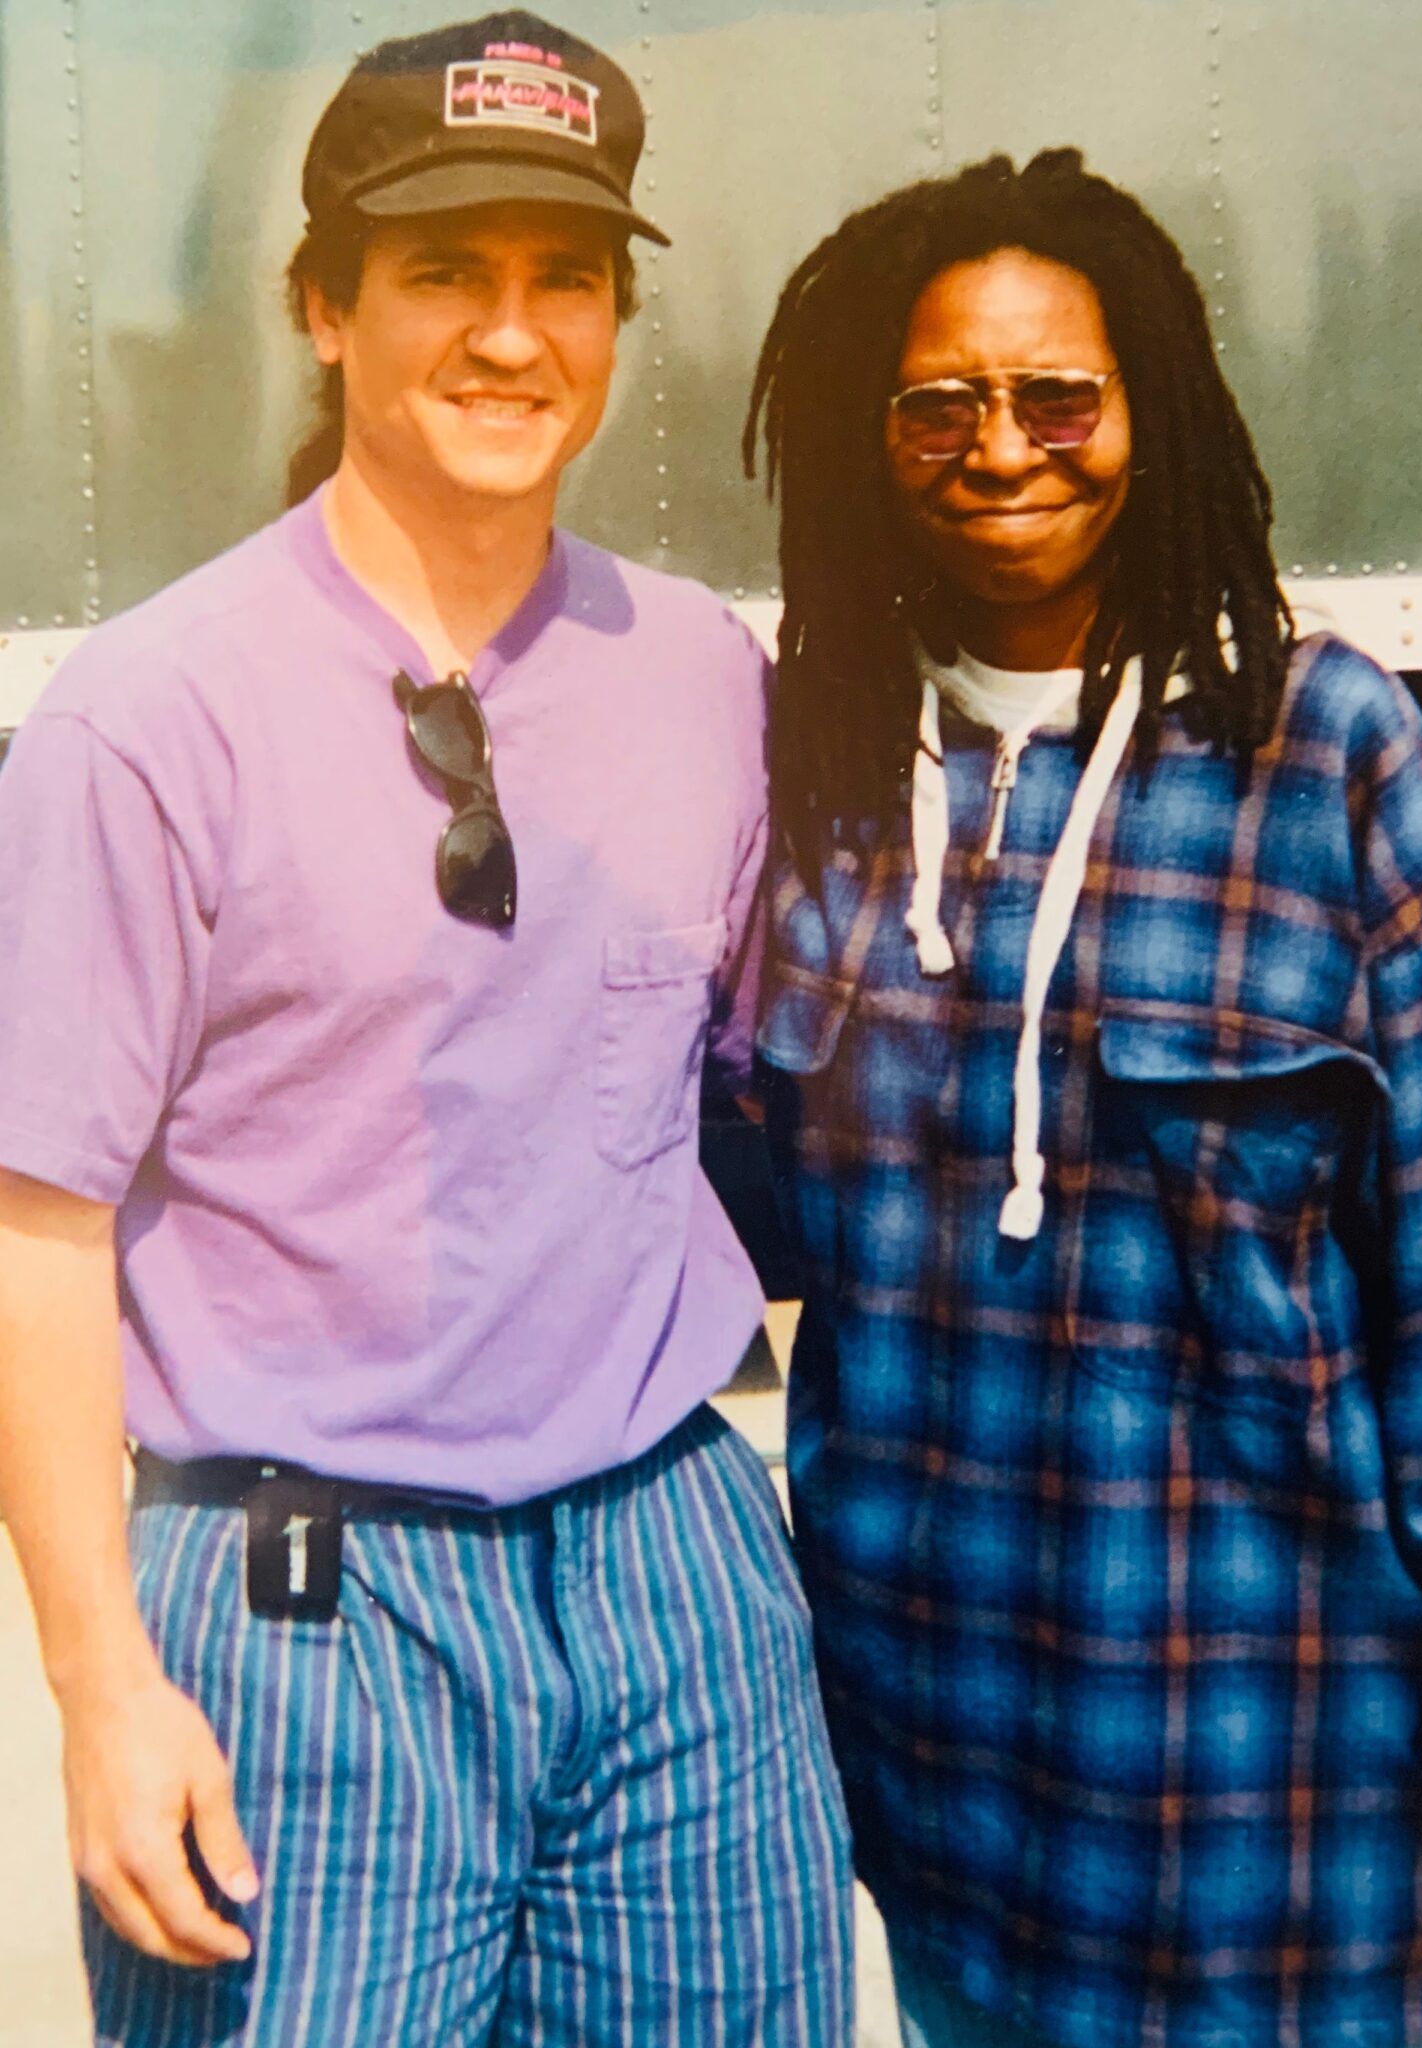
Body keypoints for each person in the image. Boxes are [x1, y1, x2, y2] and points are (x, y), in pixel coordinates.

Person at [0, 14, 852, 2044]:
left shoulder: (698, 682)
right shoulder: (150, 716)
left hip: (672, 1576)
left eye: (565, 278)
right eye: (441, 272)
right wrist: (101, 1683)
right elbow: (38, 1227)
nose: (510, 332)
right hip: (307, 1610)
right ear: (322, 305)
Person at [745, 147, 1422, 2048]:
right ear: (863, 435)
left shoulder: (1326, 755)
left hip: (1283, 1792)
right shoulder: (808, 777)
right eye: (937, 404)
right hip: (940, 1786)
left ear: (1152, 414)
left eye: (1059, 397)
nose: (1001, 448)